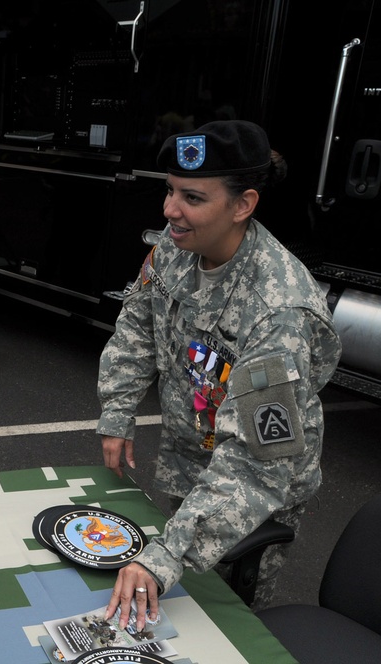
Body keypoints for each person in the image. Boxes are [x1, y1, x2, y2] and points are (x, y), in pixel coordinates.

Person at [95, 120, 342, 629]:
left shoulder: (279, 310)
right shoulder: (175, 245)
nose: (169, 210)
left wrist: (163, 557)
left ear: (243, 205)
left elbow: (259, 464)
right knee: (164, 616)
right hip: (191, 463)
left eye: (191, 197)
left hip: (251, 495)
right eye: (169, 190)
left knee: (222, 624)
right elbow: (137, 324)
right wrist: (117, 412)